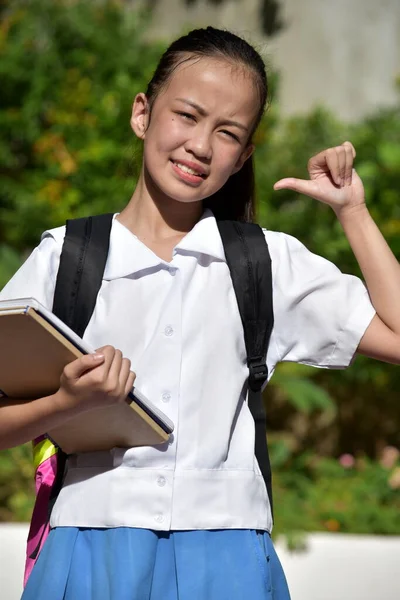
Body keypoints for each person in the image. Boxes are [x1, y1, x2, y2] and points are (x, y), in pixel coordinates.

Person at [0, 25, 399, 600]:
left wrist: (354, 212)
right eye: (186, 115)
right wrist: (67, 403)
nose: (201, 145)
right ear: (142, 113)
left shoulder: (267, 262)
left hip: (229, 555)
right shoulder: (66, 259)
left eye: (228, 132)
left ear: (244, 156)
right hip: (90, 548)